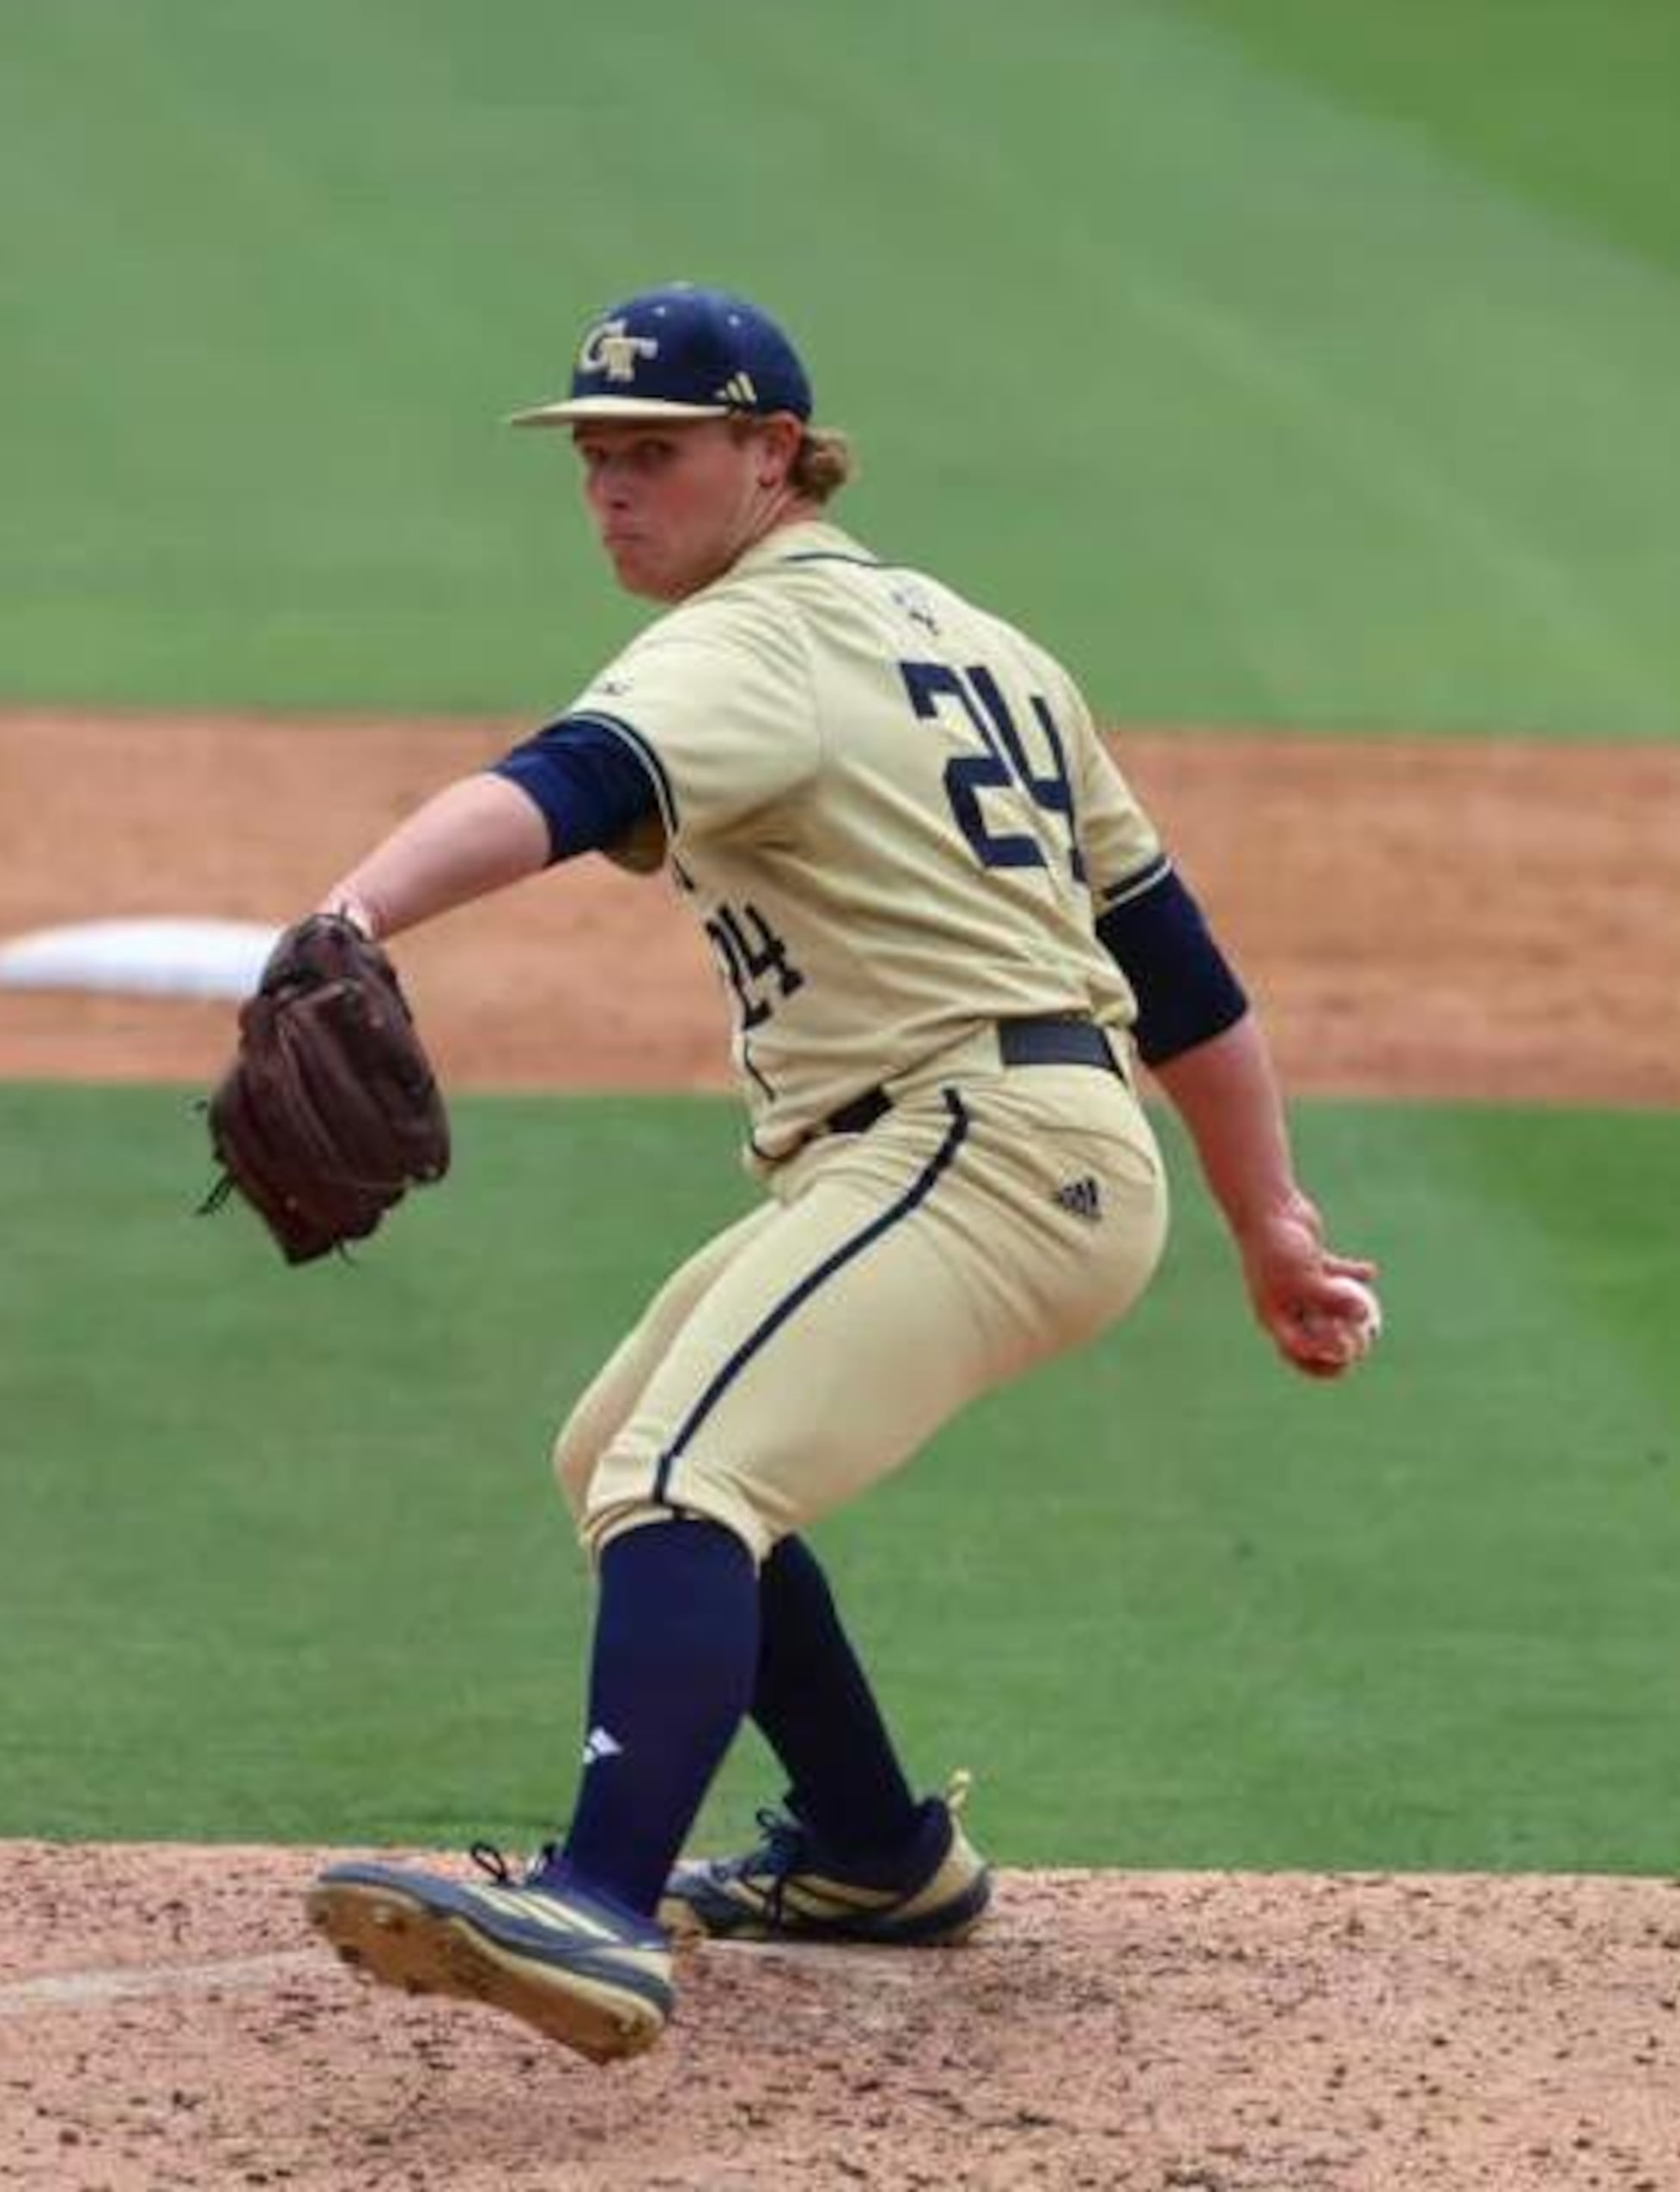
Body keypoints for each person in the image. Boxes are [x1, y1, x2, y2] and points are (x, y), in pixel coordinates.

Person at [296, 284, 1380, 2061]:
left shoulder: (752, 639)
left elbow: (567, 782)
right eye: (593, 455)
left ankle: (595, 1902)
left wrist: (350, 914)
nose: (611, 488)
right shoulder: (986, 645)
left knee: (682, 1472)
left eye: (654, 453)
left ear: (773, 452)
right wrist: (1269, 1217)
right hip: (1004, 1145)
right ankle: (878, 1849)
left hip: (974, 1145)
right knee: (620, 1449)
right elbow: (1175, 968)